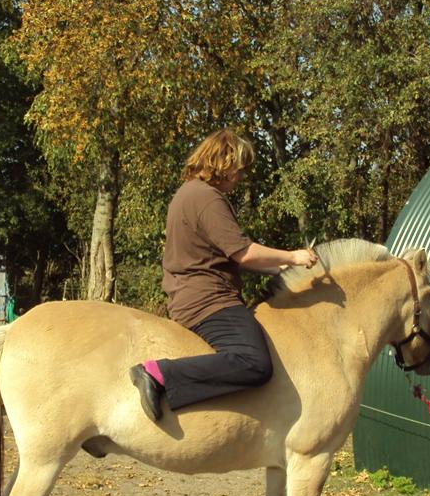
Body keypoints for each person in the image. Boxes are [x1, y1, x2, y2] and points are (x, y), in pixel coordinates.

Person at [130, 129, 318, 422]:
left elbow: (226, 257)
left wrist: (278, 268)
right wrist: (293, 256)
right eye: (239, 168)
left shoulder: (189, 193)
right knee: (255, 362)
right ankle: (158, 374)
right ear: (224, 162)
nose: (241, 176)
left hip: (194, 294)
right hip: (208, 300)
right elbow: (243, 252)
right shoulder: (207, 199)